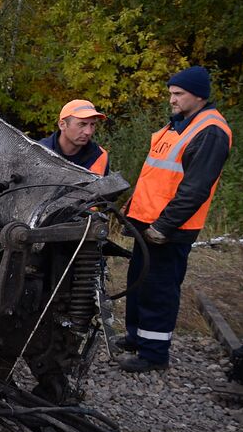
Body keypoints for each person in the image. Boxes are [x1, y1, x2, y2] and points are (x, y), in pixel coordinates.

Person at [118, 66, 232, 372]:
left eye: (178, 94)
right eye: (171, 93)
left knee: (159, 288)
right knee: (139, 281)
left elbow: (195, 189)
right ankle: (136, 336)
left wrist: (164, 226)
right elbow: (159, 174)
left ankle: (153, 355)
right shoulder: (180, 124)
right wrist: (134, 205)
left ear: (198, 95)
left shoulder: (210, 131)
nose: (172, 99)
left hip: (169, 228)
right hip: (147, 221)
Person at [41, 99, 109, 174]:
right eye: (82, 124)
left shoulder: (100, 156)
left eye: (92, 124)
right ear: (62, 125)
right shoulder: (37, 153)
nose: (88, 132)